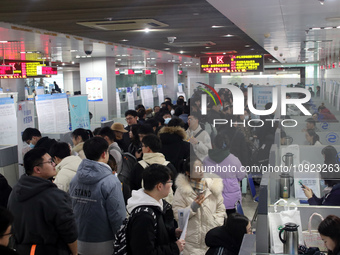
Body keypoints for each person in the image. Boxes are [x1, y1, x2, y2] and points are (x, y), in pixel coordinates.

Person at [7, 148, 78, 255]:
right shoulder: (54, 196)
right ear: (37, 169)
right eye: (50, 162)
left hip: (22, 250)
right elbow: (69, 231)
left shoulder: (15, 191)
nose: (54, 164)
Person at [69, 137, 126, 255]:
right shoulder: (111, 181)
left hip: (79, 240)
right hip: (105, 242)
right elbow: (118, 217)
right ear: (104, 154)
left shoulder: (75, 179)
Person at [126, 164, 185, 255]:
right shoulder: (144, 216)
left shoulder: (155, 205)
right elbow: (145, 252)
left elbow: (156, 235)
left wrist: (173, 233)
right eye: (169, 181)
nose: (171, 185)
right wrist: (174, 248)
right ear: (160, 186)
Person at [172, 157, 225, 255]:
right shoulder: (181, 191)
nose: (201, 170)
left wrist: (216, 223)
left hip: (211, 239)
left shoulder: (213, 186)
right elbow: (178, 215)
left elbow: (221, 208)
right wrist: (192, 208)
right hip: (191, 244)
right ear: (188, 173)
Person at [203, 133, 246, 215]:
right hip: (232, 202)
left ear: (213, 144)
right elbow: (241, 176)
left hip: (212, 201)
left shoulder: (206, 160)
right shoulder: (234, 160)